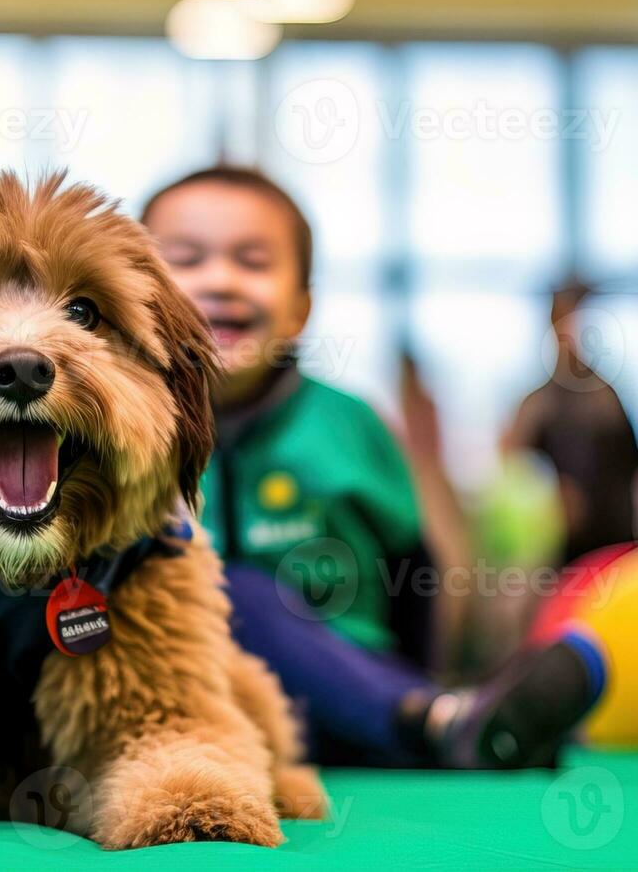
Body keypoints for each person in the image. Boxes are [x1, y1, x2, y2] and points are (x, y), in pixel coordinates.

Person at [142, 167, 605, 768]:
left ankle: (446, 719)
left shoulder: (350, 425)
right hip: (183, 704)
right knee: (228, 591)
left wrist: (412, 686)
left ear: (300, 309)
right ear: (138, 296)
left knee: (253, 600)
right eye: (186, 259)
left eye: (253, 262)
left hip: (340, 702)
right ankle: (456, 723)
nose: (222, 280)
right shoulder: (120, 430)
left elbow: (414, 567)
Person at [504, 283, 638, 563]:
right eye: (562, 323)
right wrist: (550, 499)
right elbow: (512, 473)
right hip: (559, 553)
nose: (569, 334)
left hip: (611, 545)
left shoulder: (606, 398)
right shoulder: (537, 405)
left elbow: (633, 466)